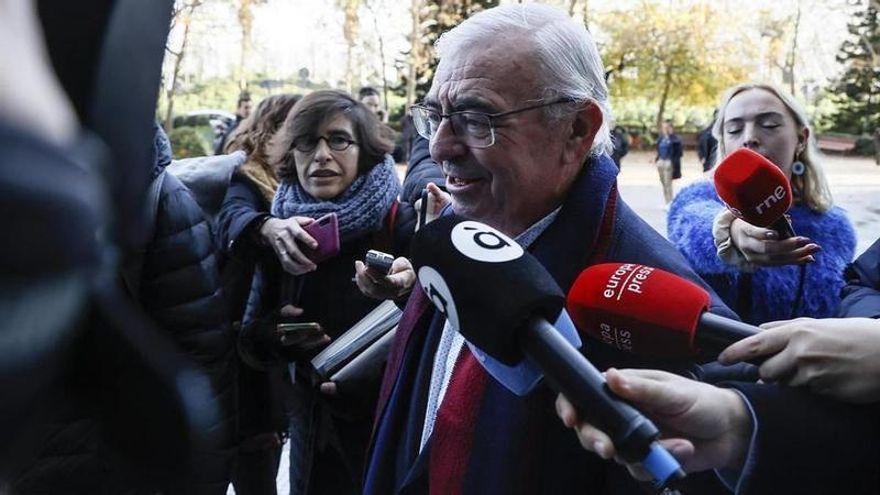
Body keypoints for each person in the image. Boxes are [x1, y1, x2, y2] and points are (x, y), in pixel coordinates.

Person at [363, 5, 739, 494]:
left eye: (477, 119)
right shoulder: (459, 241)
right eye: (435, 116)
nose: (439, 147)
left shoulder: (654, 313)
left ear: (577, 130)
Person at [238, 90, 415, 495]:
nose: (321, 155)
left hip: (386, 427)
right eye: (306, 142)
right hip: (313, 435)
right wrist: (277, 334)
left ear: (364, 149)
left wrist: (404, 293)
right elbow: (250, 341)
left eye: (338, 140)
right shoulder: (283, 234)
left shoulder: (401, 221)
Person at [667, 83, 856, 325]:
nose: (749, 138)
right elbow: (690, 222)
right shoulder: (697, 198)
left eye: (769, 125)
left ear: (801, 138)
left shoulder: (838, 227)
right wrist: (731, 233)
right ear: (723, 144)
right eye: (734, 130)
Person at [216, 93, 301, 495]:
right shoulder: (247, 178)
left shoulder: (294, 182)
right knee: (253, 458)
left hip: (271, 341)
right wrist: (265, 226)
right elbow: (233, 216)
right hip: (239, 342)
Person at [653, 120, 682, 204]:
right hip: (660, 161)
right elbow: (658, 149)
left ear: (670, 128)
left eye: (666, 127)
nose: (664, 129)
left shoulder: (674, 139)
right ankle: (666, 200)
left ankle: (669, 202)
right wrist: (657, 159)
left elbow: (679, 153)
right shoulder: (661, 138)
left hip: (669, 162)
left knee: (667, 182)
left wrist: (674, 163)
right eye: (663, 127)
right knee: (662, 182)